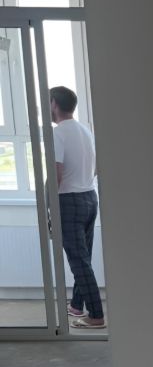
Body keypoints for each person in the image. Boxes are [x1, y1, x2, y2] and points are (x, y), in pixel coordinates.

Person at [50, 86, 105, 329]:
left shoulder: (58, 133)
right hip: (89, 196)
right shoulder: (85, 130)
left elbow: (56, 173)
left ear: (54, 104)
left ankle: (96, 315)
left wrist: (50, 207)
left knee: (78, 261)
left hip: (69, 201)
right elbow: (95, 167)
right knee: (84, 258)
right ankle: (76, 305)